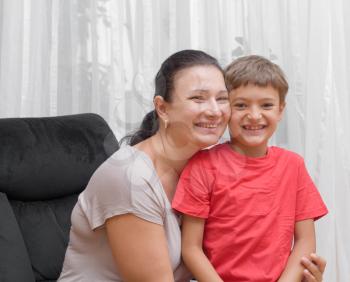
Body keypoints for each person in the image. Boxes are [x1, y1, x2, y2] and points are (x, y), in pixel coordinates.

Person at [58, 50, 327, 282]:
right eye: (198, 98)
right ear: (163, 109)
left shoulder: (204, 167)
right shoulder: (129, 179)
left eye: (221, 98)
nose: (214, 110)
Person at [172, 55, 328, 282]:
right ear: (226, 109)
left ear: (280, 110)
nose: (254, 116)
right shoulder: (202, 166)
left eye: (266, 105)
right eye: (241, 105)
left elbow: (305, 241)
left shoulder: (293, 165)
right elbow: (191, 249)